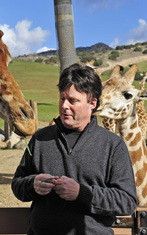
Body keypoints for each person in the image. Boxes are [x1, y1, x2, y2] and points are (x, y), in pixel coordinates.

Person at [11, 63, 137, 235]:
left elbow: (126, 201)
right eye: (62, 98)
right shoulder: (40, 138)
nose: (64, 106)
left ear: (92, 103)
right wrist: (32, 185)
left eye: (72, 101)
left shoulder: (112, 145)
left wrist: (82, 193)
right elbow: (17, 184)